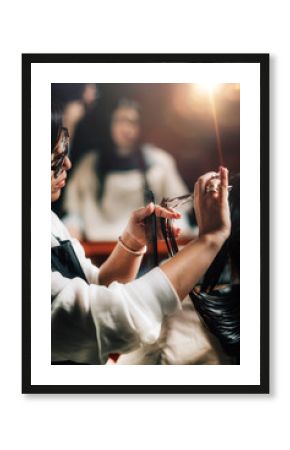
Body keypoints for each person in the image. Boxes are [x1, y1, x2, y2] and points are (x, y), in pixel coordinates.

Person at [51, 109, 231, 365]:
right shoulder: (92, 165)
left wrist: (132, 244)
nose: (67, 163)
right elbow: (114, 318)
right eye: (55, 157)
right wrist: (210, 239)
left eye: (133, 122)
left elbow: (96, 287)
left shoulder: (48, 221)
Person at [62, 98, 194, 241]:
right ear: (109, 124)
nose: (126, 128)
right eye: (120, 121)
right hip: (100, 243)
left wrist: (178, 233)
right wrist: (71, 230)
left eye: (132, 122)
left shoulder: (160, 162)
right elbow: (74, 211)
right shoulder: (89, 164)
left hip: (150, 245)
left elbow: (178, 210)